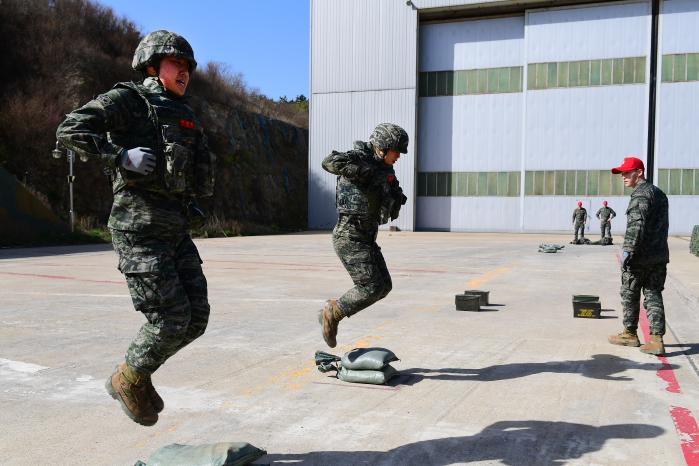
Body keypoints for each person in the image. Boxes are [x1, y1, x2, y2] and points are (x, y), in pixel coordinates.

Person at [56, 30, 215, 425]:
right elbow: (70, 129)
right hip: (138, 231)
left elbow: (184, 173)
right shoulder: (129, 100)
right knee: (170, 319)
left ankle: (136, 375)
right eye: (176, 64)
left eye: (188, 67)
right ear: (152, 65)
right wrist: (119, 155)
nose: (184, 73)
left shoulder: (186, 114)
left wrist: (191, 204)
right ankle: (130, 377)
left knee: (196, 318)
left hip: (175, 231)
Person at [319, 123, 409, 348]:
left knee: (384, 286)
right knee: (369, 287)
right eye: (395, 150)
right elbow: (329, 162)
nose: (398, 156)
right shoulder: (360, 157)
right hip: (349, 236)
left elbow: (389, 190)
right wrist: (358, 171)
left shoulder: (386, 169)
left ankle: (332, 311)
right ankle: (333, 312)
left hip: (367, 238)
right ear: (382, 147)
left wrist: (395, 196)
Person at [607, 157, 669, 355]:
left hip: (640, 257)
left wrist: (628, 251)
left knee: (630, 293)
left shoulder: (640, 194)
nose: (623, 177)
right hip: (658, 256)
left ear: (639, 172)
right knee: (653, 294)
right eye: (622, 173)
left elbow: (636, 224)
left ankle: (630, 334)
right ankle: (657, 339)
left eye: (627, 172)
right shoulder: (658, 193)